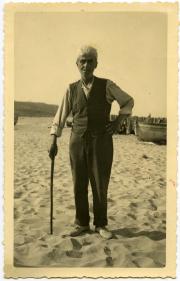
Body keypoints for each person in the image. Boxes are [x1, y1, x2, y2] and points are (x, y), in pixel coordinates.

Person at [49, 46, 134, 239]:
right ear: (77, 64)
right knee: (78, 182)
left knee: (99, 183)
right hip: (77, 141)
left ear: (96, 64)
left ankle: (101, 225)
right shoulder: (71, 89)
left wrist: (118, 121)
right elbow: (59, 117)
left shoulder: (107, 85)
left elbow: (128, 101)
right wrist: (53, 139)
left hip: (101, 141)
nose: (86, 65)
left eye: (90, 61)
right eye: (82, 61)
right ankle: (81, 223)